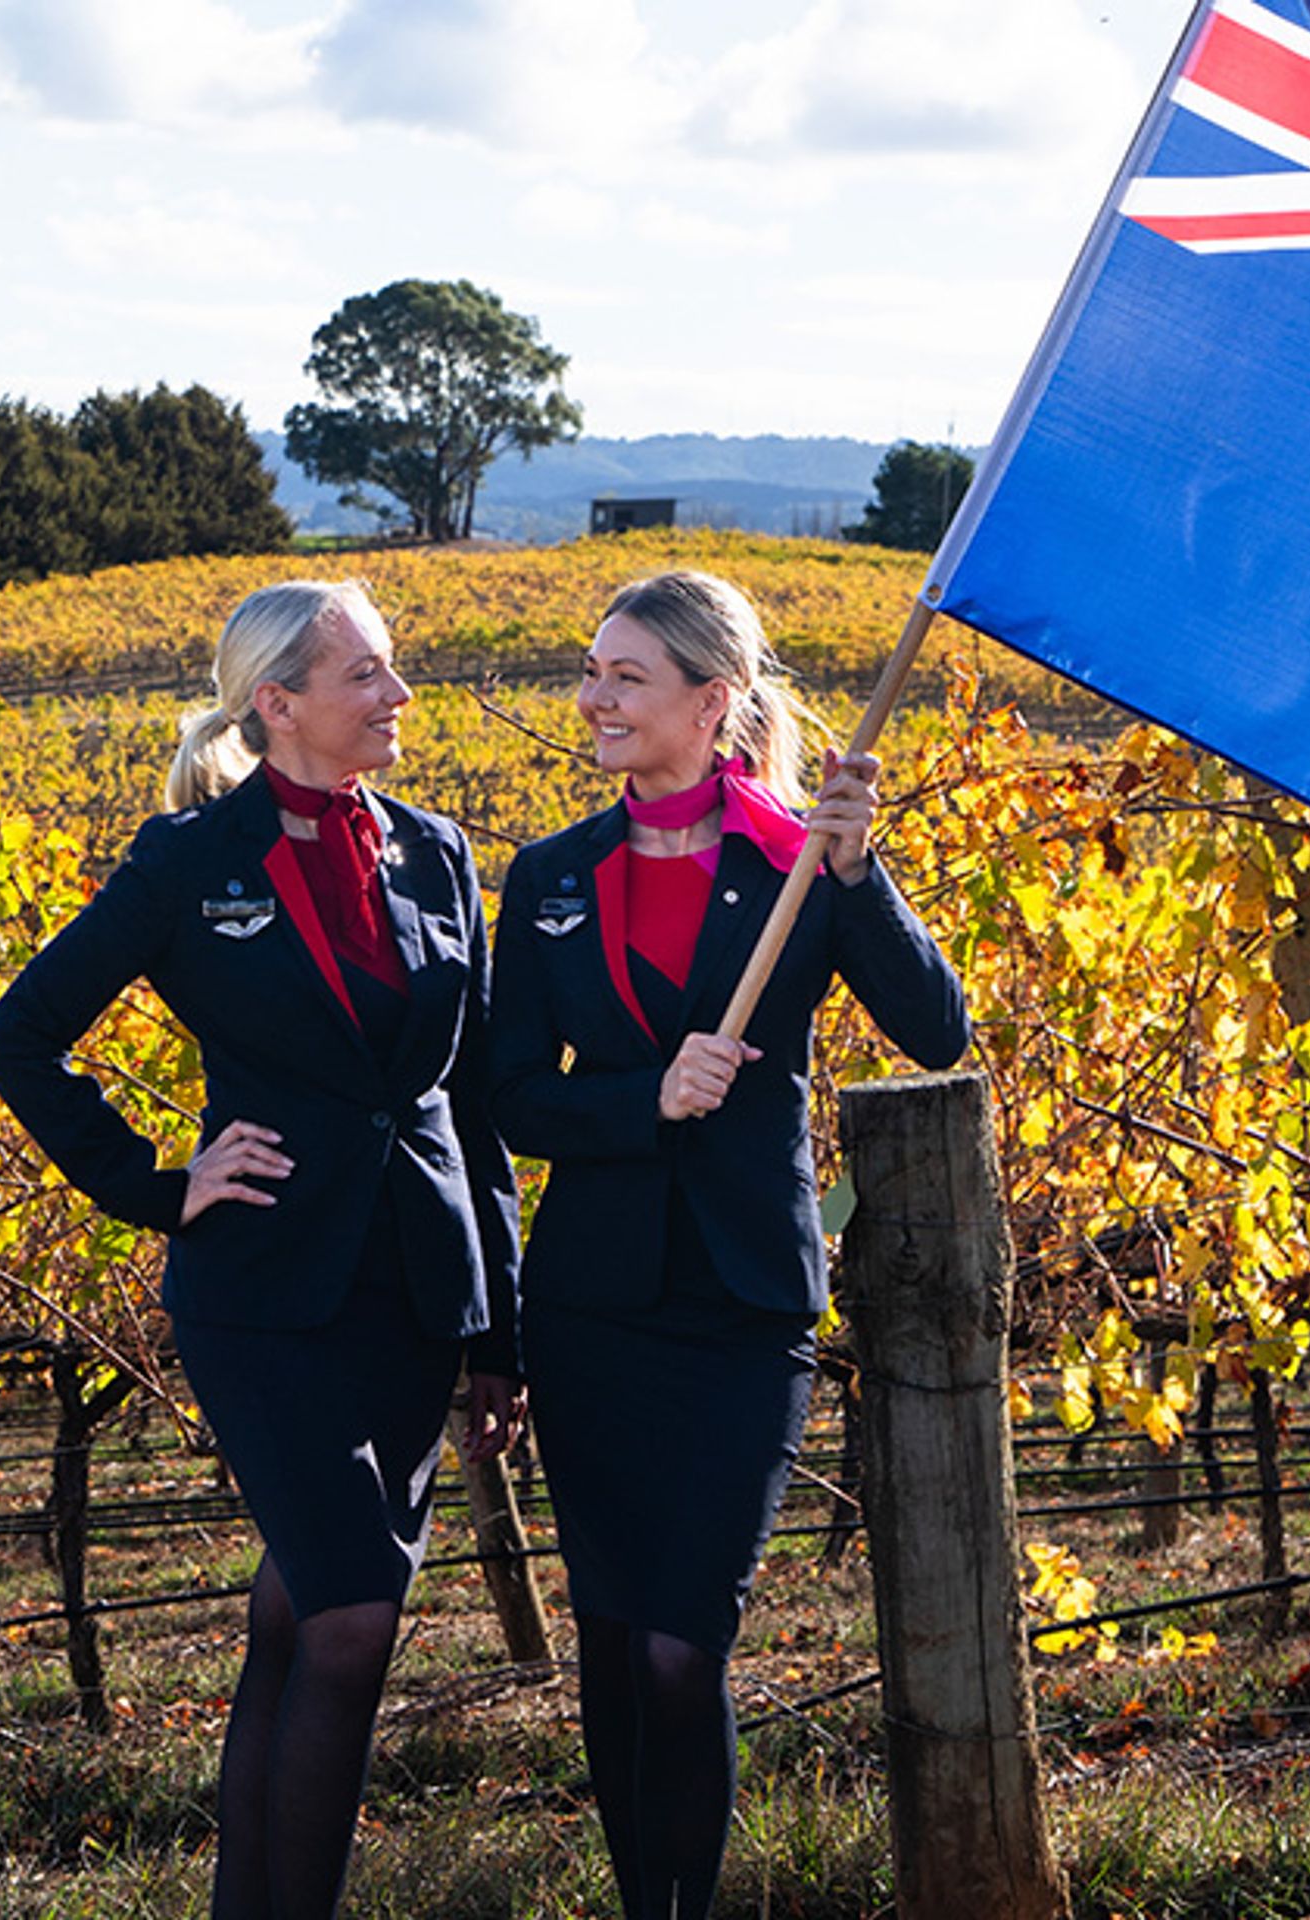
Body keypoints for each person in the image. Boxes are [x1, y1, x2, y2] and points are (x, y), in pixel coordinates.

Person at [0, 579, 520, 1920]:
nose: (397, 695)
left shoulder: (439, 852)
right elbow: (21, 1037)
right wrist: (158, 1188)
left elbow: (474, 1103)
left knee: (297, 1618)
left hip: (414, 1294)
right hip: (266, 1298)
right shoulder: (187, 862)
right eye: (365, 674)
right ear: (277, 702)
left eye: (392, 668)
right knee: (353, 1618)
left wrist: (499, 1330)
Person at [490, 569, 971, 1919]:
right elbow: (511, 1097)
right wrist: (643, 1097)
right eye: (593, 671)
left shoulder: (800, 862)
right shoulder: (549, 879)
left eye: (625, 677)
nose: (593, 698)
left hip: (744, 1311)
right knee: (609, 1639)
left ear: (711, 704)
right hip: (589, 1309)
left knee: (681, 1648)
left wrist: (861, 875)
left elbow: (937, 1030)